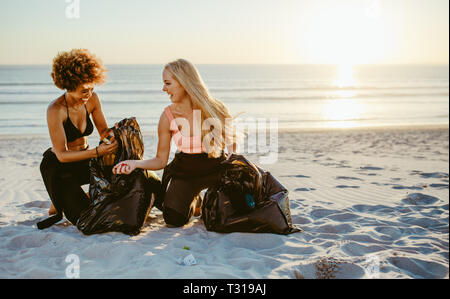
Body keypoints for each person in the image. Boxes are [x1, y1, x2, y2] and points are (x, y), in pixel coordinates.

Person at [112, 59, 236, 227]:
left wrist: (234, 165)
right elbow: (161, 160)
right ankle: (195, 201)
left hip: (217, 169)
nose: (164, 89)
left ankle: (209, 197)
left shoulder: (215, 108)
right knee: (173, 219)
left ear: (184, 82)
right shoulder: (167, 116)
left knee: (222, 216)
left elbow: (232, 144)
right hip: (186, 171)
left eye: (168, 83)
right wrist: (135, 163)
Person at [38, 49, 118, 229]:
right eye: (83, 90)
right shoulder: (56, 109)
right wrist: (97, 152)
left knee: (119, 180)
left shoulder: (92, 99)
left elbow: (103, 130)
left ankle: (61, 198)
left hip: (85, 159)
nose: (88, 94)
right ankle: (59, 197)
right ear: (68, 85)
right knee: (84, 217)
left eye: (92, 88)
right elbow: (61, 155)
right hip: (60, 166)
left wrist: (112, 135)